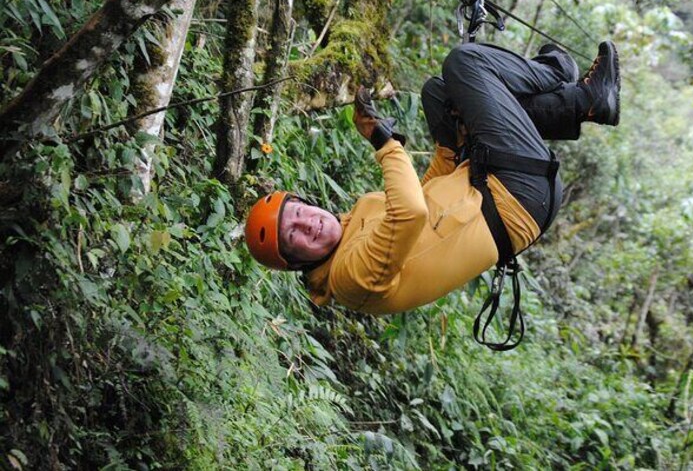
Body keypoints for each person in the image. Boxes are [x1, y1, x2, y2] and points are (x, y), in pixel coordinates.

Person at [245, 41, 619, 318]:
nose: (307, 224)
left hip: (488, 184)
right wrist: (384, 142)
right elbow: (410, 212)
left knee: (438, 94)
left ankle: (573, 102)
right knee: (464, 63)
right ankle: (573, 87)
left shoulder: (355, 220)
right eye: (293, 236)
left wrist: (447, 148)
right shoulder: (349, 279)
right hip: (515, 200)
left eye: (297, 213)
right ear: (298, 263)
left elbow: (428, 195)